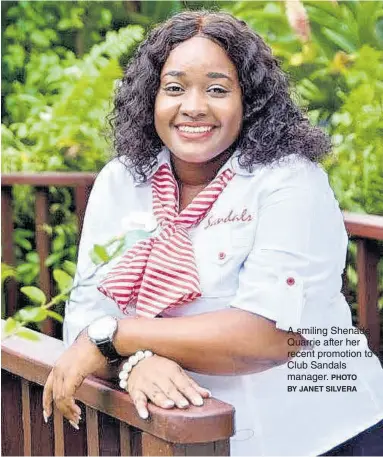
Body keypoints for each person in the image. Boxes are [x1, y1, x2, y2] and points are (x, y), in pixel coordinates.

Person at [42, 10, 383, 456]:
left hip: (321, 434)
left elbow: (269, 336)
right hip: (195, 437)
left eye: (218, 89)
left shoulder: (290, 181)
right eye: (175, 87)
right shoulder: (122, 181)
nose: (194, 106)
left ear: (250, 100)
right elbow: (86, 318)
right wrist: (134, 363)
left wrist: (121, 338)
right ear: (151, 98)